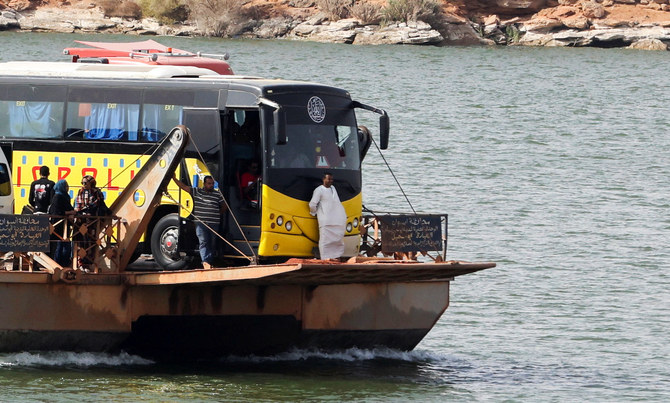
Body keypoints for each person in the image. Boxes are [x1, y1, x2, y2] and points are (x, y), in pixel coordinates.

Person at [173, 174, 226, 269]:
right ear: (204, 184)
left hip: (214, 223)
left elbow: (224, 206)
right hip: (201, 223)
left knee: (213, 242)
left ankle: (210, 260)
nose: (211, 185)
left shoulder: (217, 194)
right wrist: (174, 179)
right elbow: (184, 187)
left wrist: (216, 214)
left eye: (212, 184)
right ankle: (206, 262)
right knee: (204, 241)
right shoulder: (197, 191)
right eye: (209, 183)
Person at [309, 172, 347, 261]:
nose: (330, 181)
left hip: (337, 219)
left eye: (331, 179)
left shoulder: (333, 188)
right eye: (328, 179)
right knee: (325, 240)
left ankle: (336, 257)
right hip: (326, 219)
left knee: (337, 239)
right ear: (323, 179)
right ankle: (325, 258)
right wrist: (313, 212)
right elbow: (312, 204)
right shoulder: (319, 190)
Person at [73, 175, 104, 268]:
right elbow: (78, 204)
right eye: (82, 183)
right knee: (81, 241)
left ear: (91, 183)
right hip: (81, 221)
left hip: (92, 221)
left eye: (85, 183)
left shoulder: (97, 192)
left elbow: (97, 204)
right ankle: (81, 262)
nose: (83, 185)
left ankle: (90, 262)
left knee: (91, 241)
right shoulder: (81, 191)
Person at [47, 179, 75, 266]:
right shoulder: (57, 197)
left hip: (65, 225)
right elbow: (56, 212)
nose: (67, 188)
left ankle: (65, 262)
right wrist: (69, 213)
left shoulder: (65, 196)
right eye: (66, 186)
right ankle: (57, 263)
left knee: (65, 243)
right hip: (57, 225)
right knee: (59, 244)